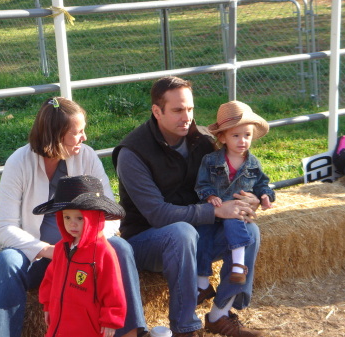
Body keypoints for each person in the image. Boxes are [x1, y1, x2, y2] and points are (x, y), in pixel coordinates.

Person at [0, 97, 146, 337]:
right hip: (39, 259)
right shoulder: (19, 162)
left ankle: (129, 332)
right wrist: (48, 250)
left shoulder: (86, 156)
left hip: (85, 254)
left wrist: (88, 244)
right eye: (77, 133)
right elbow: (3, 227)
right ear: (56, 135)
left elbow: (110, 213)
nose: (84, 138)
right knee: (7, 262)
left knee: (119, 247)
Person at [112, 76, 262, 337]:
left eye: (190, 109)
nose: (187, 117)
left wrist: (248, 198)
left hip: (197, 236)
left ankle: (220, 315)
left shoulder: (203, 140)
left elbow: (224, 185)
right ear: (157, 111)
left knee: (250, 232)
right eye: (178, 110)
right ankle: (185, 328)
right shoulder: (132, 153)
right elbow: (157, 214)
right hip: (147, 242)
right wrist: (215, 211)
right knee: (181, 233)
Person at [33, 175, 127, 337]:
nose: (72, 224)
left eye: (79, 218)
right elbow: (50, 277)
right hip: (59, 323)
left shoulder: (103, 252)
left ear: (93, 217)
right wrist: (47, 304)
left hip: (87, 327)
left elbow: (113, 288)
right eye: (67, 217)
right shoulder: (62, 247)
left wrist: (110, 319)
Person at [195, 101, 275, 285]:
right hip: (214, 209)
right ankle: (202, 283)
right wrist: (210, 196)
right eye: (236, 135)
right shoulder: (210, 160)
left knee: (235, 221)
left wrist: (264, 196)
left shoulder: (253, 164)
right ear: (222, 138)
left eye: (247, 135)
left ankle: (238, 265)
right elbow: (202, 183)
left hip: (236, 211)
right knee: (203, 236)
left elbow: (262, 183)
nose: (243, 141)